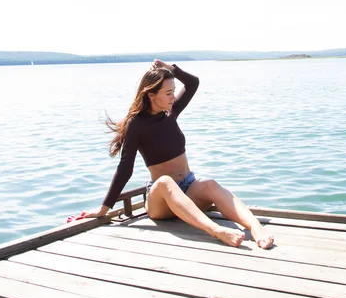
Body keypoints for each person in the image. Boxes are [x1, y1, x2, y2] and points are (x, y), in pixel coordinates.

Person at [86, 59, 274, 249]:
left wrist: (171, 69)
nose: (172, 97)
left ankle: (255, 227)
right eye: (168, 93)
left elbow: (193, 83)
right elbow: (125, 168)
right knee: (165, 181)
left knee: (209, 184)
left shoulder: (170, 112)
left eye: (173, 91)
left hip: (189, 188)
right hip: (161, 200)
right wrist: (104, 208)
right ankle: (217, 231)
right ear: (151, 95)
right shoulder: (136, 125)